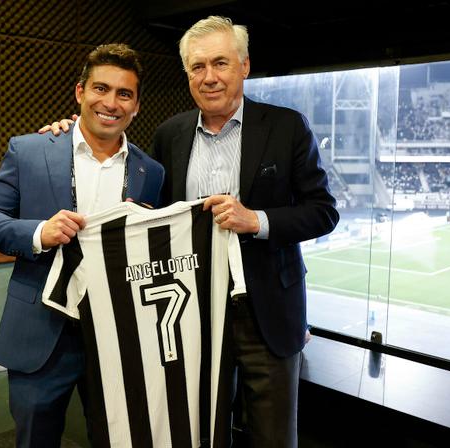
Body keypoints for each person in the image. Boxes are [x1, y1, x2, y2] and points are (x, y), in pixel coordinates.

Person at [41, 16, 338, 447]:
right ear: (187, 74)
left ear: (244, 66)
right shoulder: (171, 134)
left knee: (273, 436)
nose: (209, 76)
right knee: (196, 430)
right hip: (189, 314)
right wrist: (68, 134)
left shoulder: (287, 126)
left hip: (267, 315)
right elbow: (153, 211)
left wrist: (256, 220)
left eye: (220, 63)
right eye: (198, 66)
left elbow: (323, 212)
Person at [0, 43, 164, 448]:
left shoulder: (152, 171)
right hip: (41, 334)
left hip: (119, 338)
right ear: (80, 92)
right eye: (100, 89)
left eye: (124, 94)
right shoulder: (30, 149)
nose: (110, 103)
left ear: (136, 106)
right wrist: (39, 232)